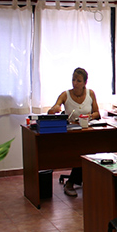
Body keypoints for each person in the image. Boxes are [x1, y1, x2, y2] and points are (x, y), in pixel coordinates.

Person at [48, 67, 100, 196]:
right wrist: (55, 109)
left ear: (85, 83)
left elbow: (97, 113)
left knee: (91, 149)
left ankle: (76, 180)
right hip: (71, 133)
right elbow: (53, 109)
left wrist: (89, 116)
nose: (75, 83)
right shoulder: (65, 94)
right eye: (73, 80)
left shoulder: (90, 93)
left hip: (87, 132)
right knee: (83, 151)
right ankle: (71, 182)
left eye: (79, 81)